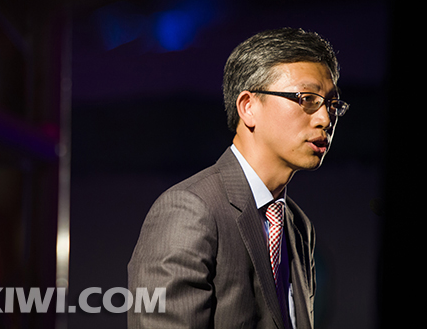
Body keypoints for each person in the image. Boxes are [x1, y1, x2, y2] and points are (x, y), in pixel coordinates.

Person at [128, 27, 349, 329]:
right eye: (307, 99)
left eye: (332, 104)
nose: (325, 119)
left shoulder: (298, 225)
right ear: (248, 107)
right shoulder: (190, 210)